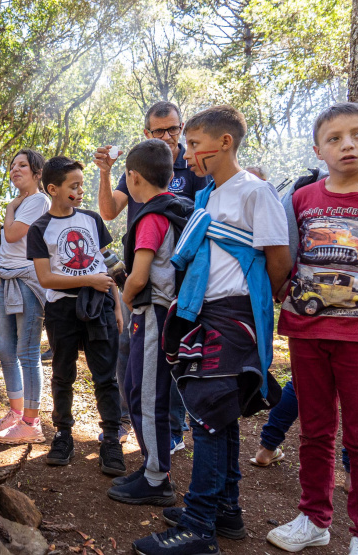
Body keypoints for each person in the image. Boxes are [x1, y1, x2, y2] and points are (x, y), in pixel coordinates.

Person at [133, 105, 291, 554]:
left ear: (224, 143)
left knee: (205, 416)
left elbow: (277, 259)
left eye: (194, 144)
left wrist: (253, 304)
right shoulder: (209, 195)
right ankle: (227, 510)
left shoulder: (254, 192)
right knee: (218, 413)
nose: (188, 153)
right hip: (207, 310)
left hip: (234, 315)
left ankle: (199, 526)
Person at [266, 102, 358, 554]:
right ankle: (313, 519)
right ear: (318, 150)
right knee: (315, 431)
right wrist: (282, 291)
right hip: (307, 332)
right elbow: (282, 253)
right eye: (335, 138)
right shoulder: (302, 198)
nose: (347, 144)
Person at [96, 102, 210, 447]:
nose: (168, 136)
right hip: (138, 272)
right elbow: (108, 210)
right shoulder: (139, 165)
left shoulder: (193, 165)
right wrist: (104, 172)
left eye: (173, 129)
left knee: (173, 348)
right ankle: (132, 417)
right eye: (159, 131)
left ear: (182, 126)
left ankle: (172, 428)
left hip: (182, 277)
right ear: (147, 133)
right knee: (127, 345)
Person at [105, 140, 193, 506]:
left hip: (153, 313)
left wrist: (123, 302)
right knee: (138, 388)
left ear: (132, 177)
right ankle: (151, 465)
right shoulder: (175, 207)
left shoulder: (152, 217)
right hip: (158, 312)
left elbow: (140, 277)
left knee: (146, 396)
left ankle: (157, 478)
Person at [26, 155, 126, 475]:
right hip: (62, 310)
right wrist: (88, 280)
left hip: (99, 306)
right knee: (62, 374)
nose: (80, 191)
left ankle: (111, 439)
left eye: (82, 185)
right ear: (53, 189)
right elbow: (46, 279)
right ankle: (63, 435)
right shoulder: (39, 229)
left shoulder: (92, 220)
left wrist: (118, 303)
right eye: (74, 186)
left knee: (105, 376)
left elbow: (107, 264)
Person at [0, 149, 51, 444]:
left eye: (22, 165)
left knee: (27, 353)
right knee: (6, 351)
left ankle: (32, 423)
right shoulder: (25, 201)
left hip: (27, 280)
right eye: (12, 165)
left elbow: (11, 235)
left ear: (37, 173)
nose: (14, 169)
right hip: (8, 278)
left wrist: (10, 207)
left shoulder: (37, 200)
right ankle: (16, 412)